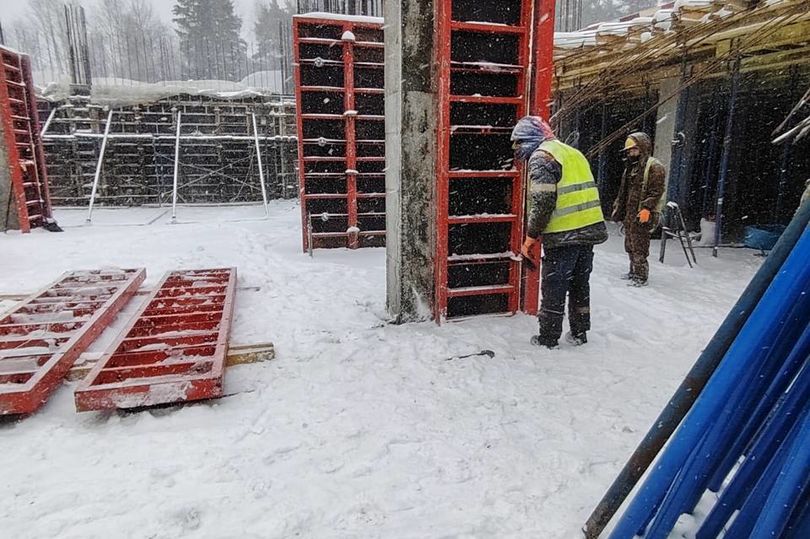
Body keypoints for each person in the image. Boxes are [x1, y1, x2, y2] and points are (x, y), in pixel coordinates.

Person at [512, 116, 608, 349]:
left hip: (564, 233)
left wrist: (530, 237)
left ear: (531, 139)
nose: (517, 149)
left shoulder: (541, 157)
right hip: (589, 230)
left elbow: (543, 202)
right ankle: (580, 332)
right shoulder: (572, 153)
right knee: (579, 284)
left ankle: (548, 338)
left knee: (554, 286)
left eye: (519, 142)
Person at [611, 132, 666, 287]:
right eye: (629, 150)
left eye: (634, 149)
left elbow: (656, 191)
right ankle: (633, 271)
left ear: (643, 148)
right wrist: (619, 208)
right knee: (630, 244)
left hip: (643, 213)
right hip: (630, 213)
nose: (631, 153)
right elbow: (624, 191)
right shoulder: (631, 168)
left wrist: (647, 208)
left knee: (640, 245)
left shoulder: (654, 167)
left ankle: (641, 276)